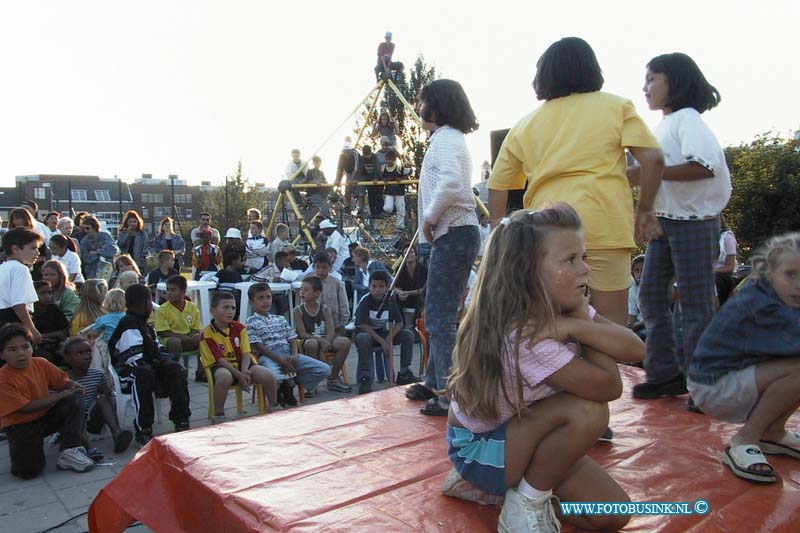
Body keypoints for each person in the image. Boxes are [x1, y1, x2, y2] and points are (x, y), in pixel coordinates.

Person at [442, 205, 644, 532]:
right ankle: (524, 505)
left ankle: (503, 491)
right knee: (588, 411)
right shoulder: (526, 337)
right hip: (480, 449)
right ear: (528, 273)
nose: (585, 271)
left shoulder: (562, 312)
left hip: (524, 433)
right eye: (570, 260)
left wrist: (577, 325)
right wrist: (582, 320)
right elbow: (608, 387)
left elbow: (636, 347)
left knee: (614, 514)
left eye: (584, 258)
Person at [488, 37, 664, 328]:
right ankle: (609, 372)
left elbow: (498, 184)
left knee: (552, 328)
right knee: (613, 329)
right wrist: (645, 209)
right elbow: (653, 160)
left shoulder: (525, 124)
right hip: (605, 224)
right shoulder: (616, 106)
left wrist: (497, 229)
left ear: (542, 76)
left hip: (548, 232)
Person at [630, 53, 730, 405]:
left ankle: (705, 383)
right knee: (652, 295)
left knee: (695, 301)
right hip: (667, 219)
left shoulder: (688, 119)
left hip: (694, 220)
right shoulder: (664, 125)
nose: (646, 87)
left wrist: (648, 174)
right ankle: (666, 373)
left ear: (675, 81)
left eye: (652, 78)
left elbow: (703, 167)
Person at [688, 232, 800, 484]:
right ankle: (745, 439)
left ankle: (773, 432)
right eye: (790, 274)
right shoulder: (763, 303)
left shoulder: (779, 295)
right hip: (714, 387)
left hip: (737, 376)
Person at [405, 79, 481, 416]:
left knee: (439, 315)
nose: (419, 108)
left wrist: (430, 217)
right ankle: (436, 380)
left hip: (454, 231)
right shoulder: (446, 138)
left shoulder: (447, 138)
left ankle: (452, 390)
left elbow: (452, 182)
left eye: (422, 102)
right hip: (452, 233)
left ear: (436, 105)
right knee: (437, 312)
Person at [0, 324, 96, 478]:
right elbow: (25, 408)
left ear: (32, 347)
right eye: (12, 349)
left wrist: (73, 385)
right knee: (28, 473)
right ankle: (21, 451)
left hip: (45, 418)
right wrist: (60, 395)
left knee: (74, 397)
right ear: (2, 355)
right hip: (20, 427)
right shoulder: (3, 378)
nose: (21, 353)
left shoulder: (40, 363)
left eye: (25, 347)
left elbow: (61, 381)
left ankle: (70, 451)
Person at [108, 284, 191, 446]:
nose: (151, 306)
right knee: (144, 374)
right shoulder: (129, 324)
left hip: (148, 368)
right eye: (149, 302)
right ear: (144, 302)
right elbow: (133, 358)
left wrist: (169, 360)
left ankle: (181, 419)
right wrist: (158, 373)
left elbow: (156, 349)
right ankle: (143, 428)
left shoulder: (144, 324)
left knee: (175, 369)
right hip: (129, 374)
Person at [199, 291, 277, 421]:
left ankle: (274, 407)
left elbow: (246, 352)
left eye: (233, 308)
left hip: (243, 365)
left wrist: (244, 370)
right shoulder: (207, 334)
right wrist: (239, 375)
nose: (230, 311)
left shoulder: (240, 328)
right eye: (225, 307)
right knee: (224, 377)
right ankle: (219, 415)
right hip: (221, 367)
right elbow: (219, 359)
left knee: (267, 375)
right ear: (213, 311)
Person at [246, 283, 331, 400]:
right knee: (274, 378)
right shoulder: (250, 322)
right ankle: (283, 388)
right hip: (269, 356)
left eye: (268, 297)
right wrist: (282, 362)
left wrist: (294, 354)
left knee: (324, 369)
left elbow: (292, 339)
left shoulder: (280, 319)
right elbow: (259, 347)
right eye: (260, 298)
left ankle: (291, 382)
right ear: (251, 302)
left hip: (288, 354)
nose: (266, 301)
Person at [63, 337, 133, 454]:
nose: (87, 356)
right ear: (68, 358)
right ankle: (90, 450)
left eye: (89, 352)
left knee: (104, 398)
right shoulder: (63, 379)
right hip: (73, 420)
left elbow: (108, 394)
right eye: (80, 353)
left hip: (92, 419)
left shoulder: (97, 375)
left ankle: (117, 435)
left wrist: (110, 398)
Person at [355, 270, 417, 394]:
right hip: (369, 335)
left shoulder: (390, 300)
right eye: (374, 286)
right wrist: (382, 341)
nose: (377, 290)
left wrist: (388, 338)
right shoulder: (365, 301)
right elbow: (363, 325)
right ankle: (365, 377)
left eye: (381, 286)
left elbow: (400, 323)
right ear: (369, 287)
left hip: (384, 334)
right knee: (363, 338)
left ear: (387, 287)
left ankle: (404, 371)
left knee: (408, 335)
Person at [293, 276, 351, 393]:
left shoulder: (325, 309)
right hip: (309, 340)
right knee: (312, 344)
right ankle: (312, 382)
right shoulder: (298, 310)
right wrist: (320, 342)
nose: (302, 292)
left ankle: (333, 378)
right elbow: (303, 333)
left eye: (306, 290)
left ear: (316, 293)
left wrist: (326, 342)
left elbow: (331, 330)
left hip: (326, 339)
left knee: (345, 342)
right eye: (301, 289)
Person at [0, 228, 43, 344]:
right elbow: (18, 304)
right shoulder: (20, 269)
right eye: (33, 248)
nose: (37, 253)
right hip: (13, 321)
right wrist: (32, 329)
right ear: (15, 249)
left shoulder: (3, 268)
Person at [155, 275, 202, 379]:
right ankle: (175, 372)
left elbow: (196, 327)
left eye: (173, 290)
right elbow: (162, 332)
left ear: (183, 292)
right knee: (174, 342)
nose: (169, 293)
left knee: (203, 339)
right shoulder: (163, 309)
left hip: (188, 338)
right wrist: (181, 336)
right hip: (171, 339)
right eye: (168, 290)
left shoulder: (192, 307)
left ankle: (201, 372)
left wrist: (190, 336)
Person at [32, 281, 69, 364]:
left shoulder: (54, 309)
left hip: (56, 344)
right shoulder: (29, 312)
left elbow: (65, 330)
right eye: (43, 293)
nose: (47, 296)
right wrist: (54, 334)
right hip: (38, 347)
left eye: (50, 292)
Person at [312, 253, 350, 336]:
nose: (321, 270)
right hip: (312, 327)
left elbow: (344, 306)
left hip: (335, 326)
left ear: (330, 268)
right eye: (318, 267)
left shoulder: (337, 283)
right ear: (313, 267)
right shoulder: (308, 283)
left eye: (324, 267)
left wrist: (342, 325)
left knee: (341, 343)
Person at [394, 244, 427, 323]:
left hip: (418, 298)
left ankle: (416, 325)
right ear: (403, 255)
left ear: (415, 254)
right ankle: (400, 323)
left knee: (419, 299)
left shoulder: (423, 269)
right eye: (406, 252)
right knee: (394, 298)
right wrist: (400, 293)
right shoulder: (400, 269)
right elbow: (395, 287)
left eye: (411, 252)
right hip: (404, 298)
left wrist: (406, 293)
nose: (408, 254)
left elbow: (422, 290)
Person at [381, 149, 409, 231]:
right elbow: (381, 176)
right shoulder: (383, 168)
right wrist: (384, 179)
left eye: (391, 159)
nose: (389, 161)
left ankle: (400, 226)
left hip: (399, 191)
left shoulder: (399, 167)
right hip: (389, 191)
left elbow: (408, 173)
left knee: (401, 209)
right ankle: (392, 211)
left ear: (394, 160)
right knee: (388, 207)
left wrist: (401, 178)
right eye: (387, 159)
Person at [116, 211, 149, 275]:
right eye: (130, 222)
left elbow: (145, 247)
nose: (132, 223)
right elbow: (120, 244)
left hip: (139, 261)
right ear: (127, 223)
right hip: (126, 260)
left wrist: (142, 260)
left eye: (134, 221)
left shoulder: (142, 234)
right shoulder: (123, 233)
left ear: (138, 222)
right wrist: (127, 233)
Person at [715, 215, 738, 306]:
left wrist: (712, 271)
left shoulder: (727, 238)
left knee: (709, 283)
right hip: (706, 273)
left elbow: (730, 267)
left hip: (723, 275)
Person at [627, 255, 647, 340]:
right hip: (638, 326)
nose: (640, 274)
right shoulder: (633, 289)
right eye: (636, 270)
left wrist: (634, 328)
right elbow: (632, 314)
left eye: (643, 270)